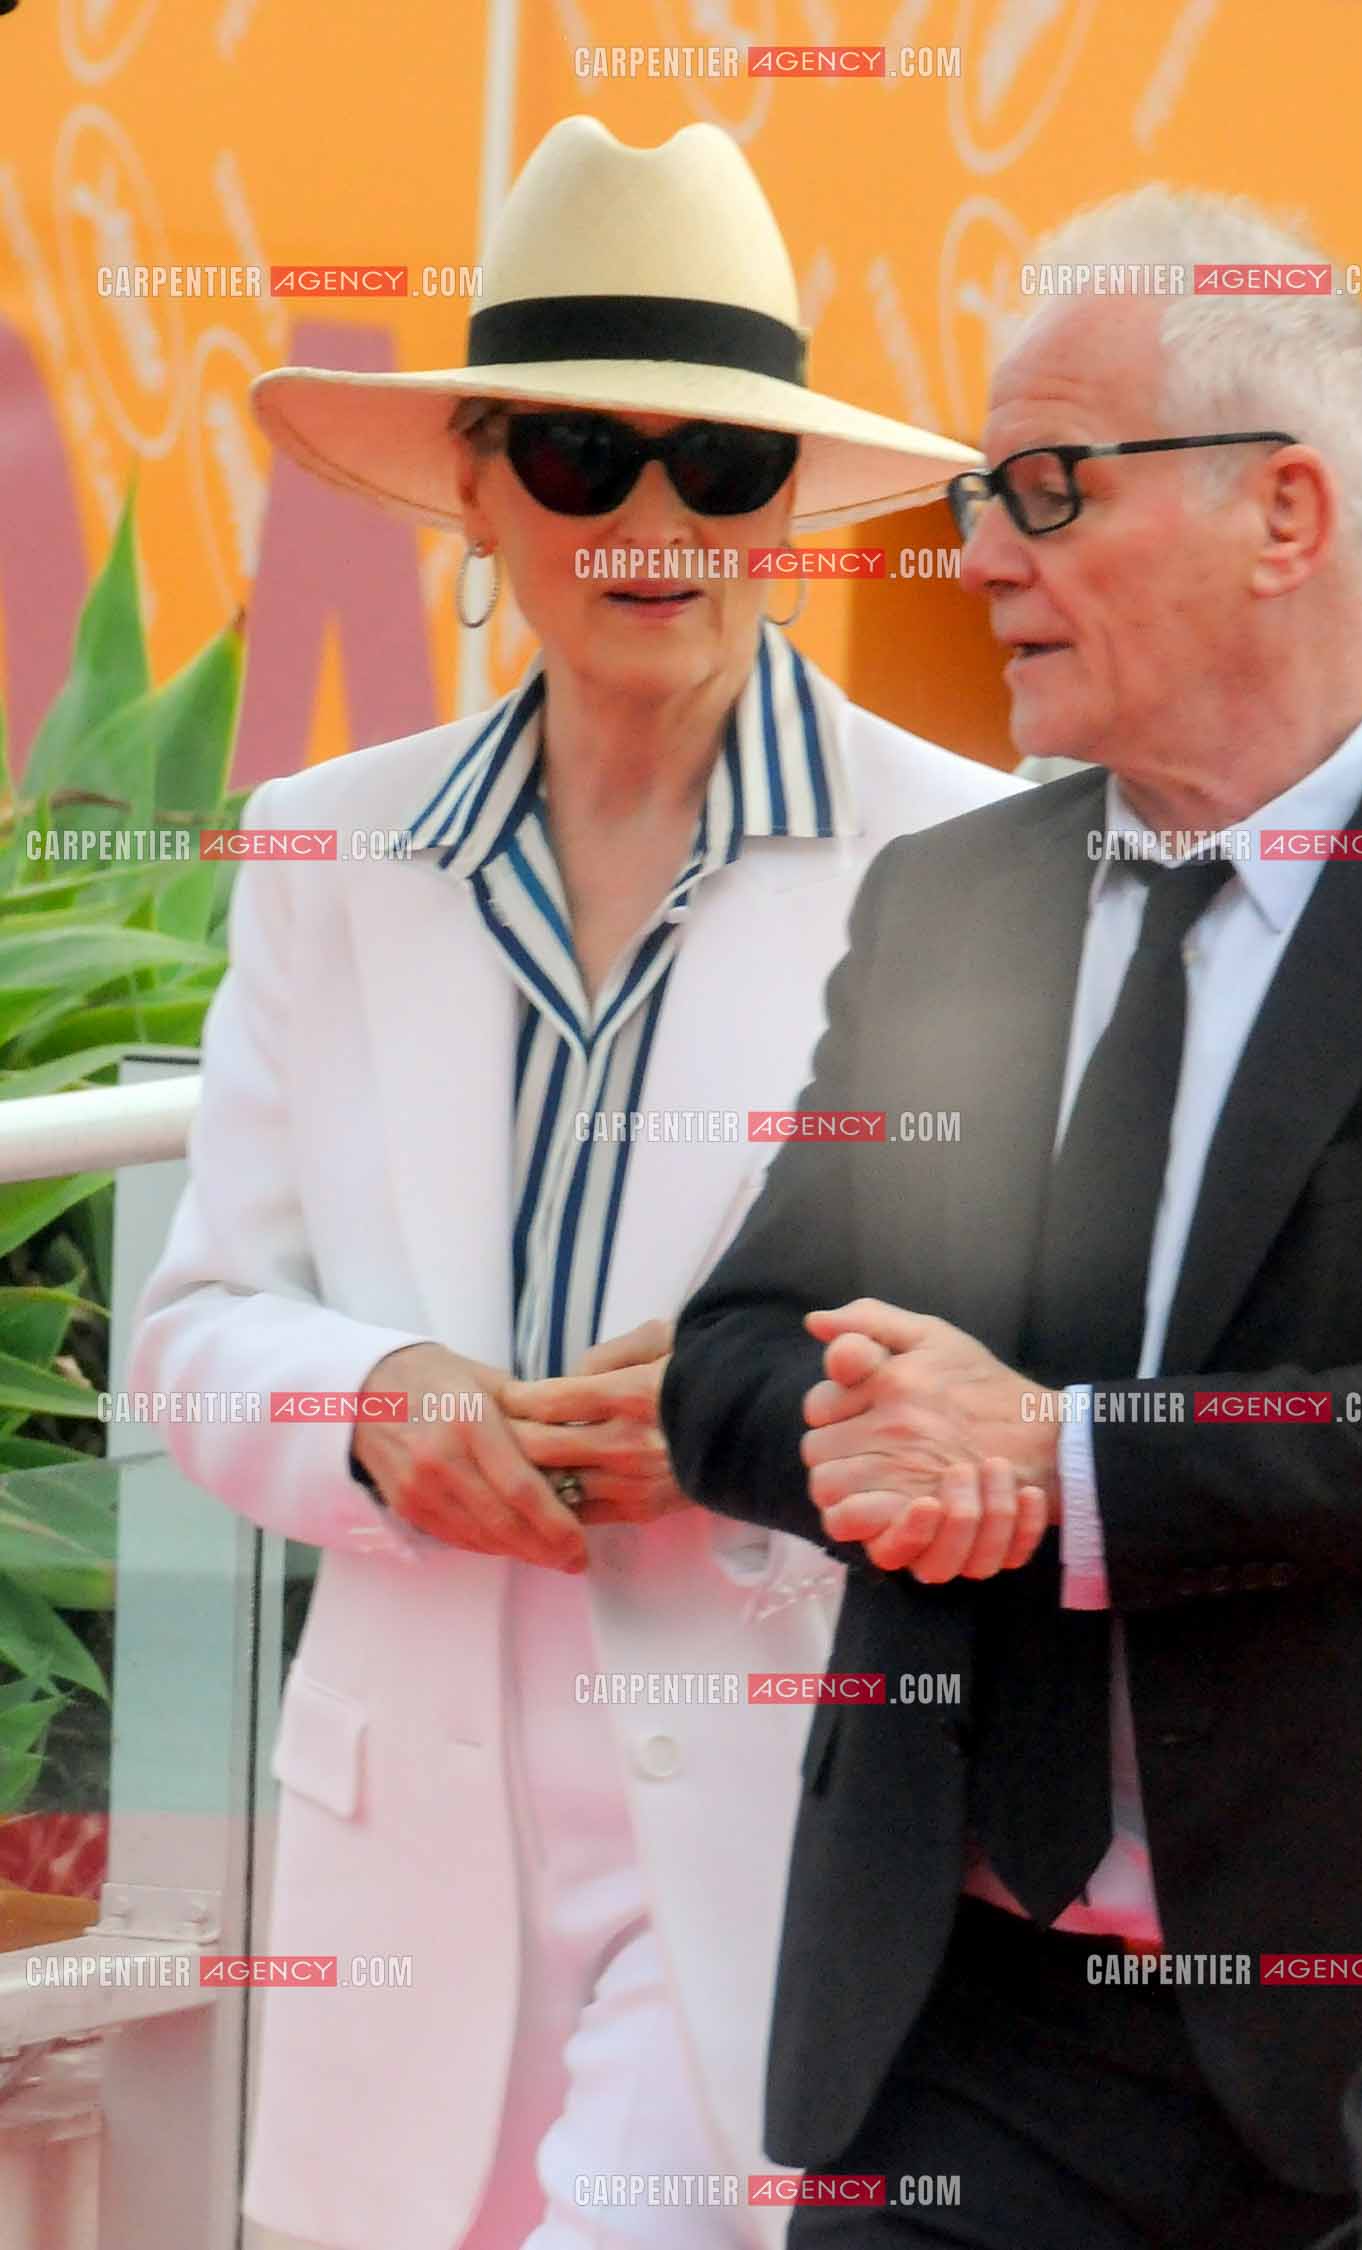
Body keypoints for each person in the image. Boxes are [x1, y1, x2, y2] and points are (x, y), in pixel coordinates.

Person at [125, 115, 1021, 2250]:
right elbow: (190, 1332)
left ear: (785, 505)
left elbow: (1030, 1362)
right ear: (472, 484)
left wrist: (753, 1421)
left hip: (775, 1834)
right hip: (395, 1865)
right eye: (577, 457)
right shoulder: (325, 850)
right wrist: (377, 1404)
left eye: (716, 467)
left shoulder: (972, 863)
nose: (651, 520)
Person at [659, 183, 1362, 2250]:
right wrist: (880, 1435)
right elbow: (733, 1358)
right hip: (962, 2030)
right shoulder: (960, 898)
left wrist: (1070, 1469)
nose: (978, 556)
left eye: (1046, 488)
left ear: (1284, 517)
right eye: (977, 492)